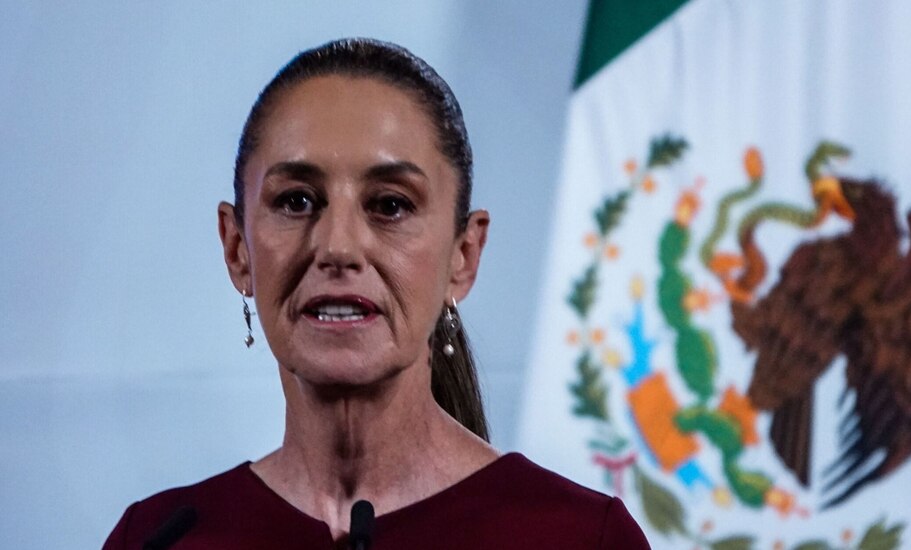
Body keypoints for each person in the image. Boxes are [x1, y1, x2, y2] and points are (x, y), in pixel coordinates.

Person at [103, 38, 649, 549]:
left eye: (390, 205)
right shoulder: (160, 538)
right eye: (296, 201)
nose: (338, 247)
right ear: (237, 249)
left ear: (464, 256)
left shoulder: (576, 537)